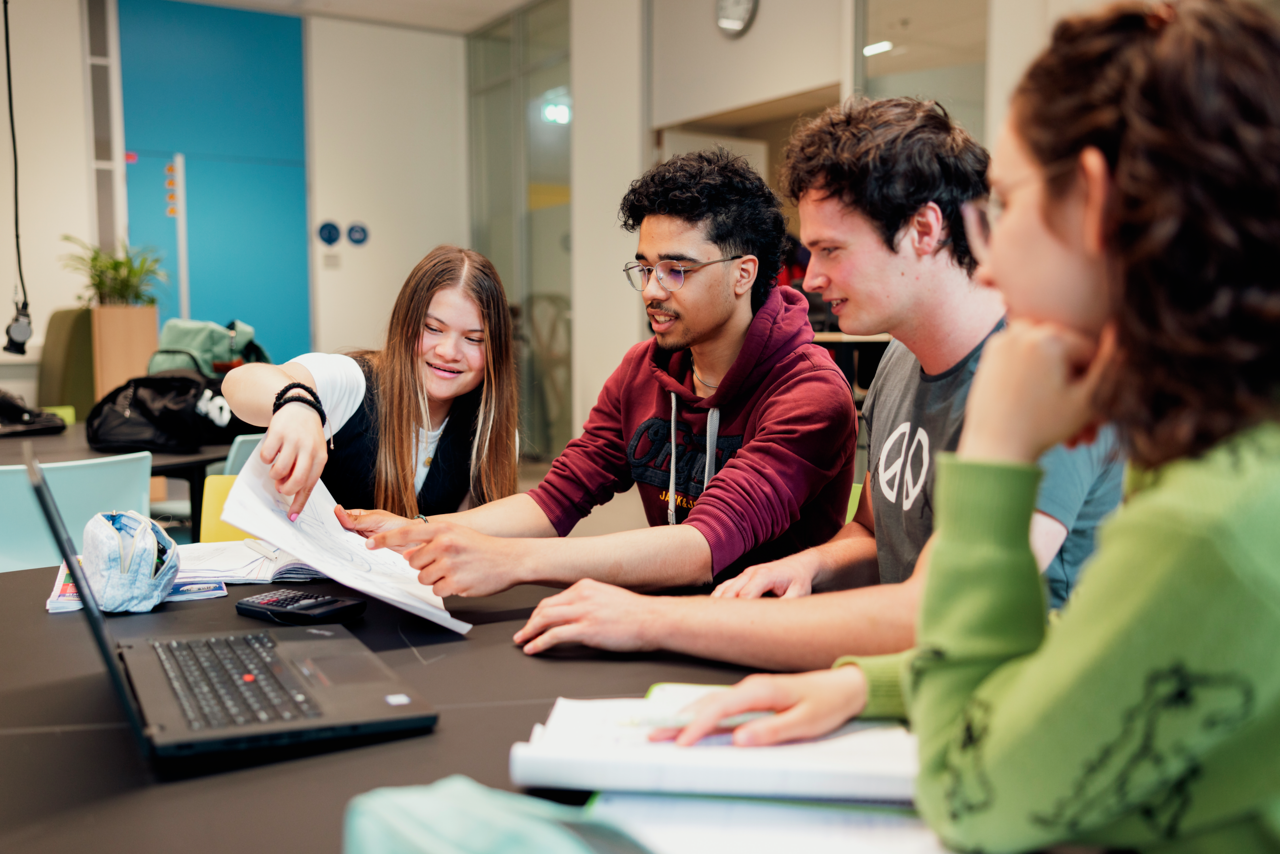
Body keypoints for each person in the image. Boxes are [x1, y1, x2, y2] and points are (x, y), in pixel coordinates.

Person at [665, 2, 1280, 851]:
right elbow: (1078, 648)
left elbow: (969, 789)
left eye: (1009, 203)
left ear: (1092, 204)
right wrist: (868, 686)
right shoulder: (1217, 458)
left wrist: (993, 452)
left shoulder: (1206, 525)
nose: (988, 250)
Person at [511, 98, 1124, 669]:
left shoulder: (1051, 378)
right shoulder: (900, 363)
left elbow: (939, 609)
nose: (811, 280)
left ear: (925, 229)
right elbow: (875, 533)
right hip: (916, 685)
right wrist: (809, 566)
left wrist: (652, 619)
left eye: (832, 251)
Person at [347, 150, 857, 598]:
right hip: (663, 612)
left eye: (676, 270)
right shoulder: (642, 371)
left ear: (742, 273)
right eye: (645, 268)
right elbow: (555, 500)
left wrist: (514, 562)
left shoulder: (808, 393)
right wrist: (415, 530)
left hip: (770, 636)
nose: (652, 290)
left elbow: (704, 546)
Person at [223, 245, 519, 521]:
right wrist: (296, 405)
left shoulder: (488, 433)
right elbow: (238, 382)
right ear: (405, 325)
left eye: (474, 339)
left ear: (495, 350)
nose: (448, 352)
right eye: (432, 328)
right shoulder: (353, 383)